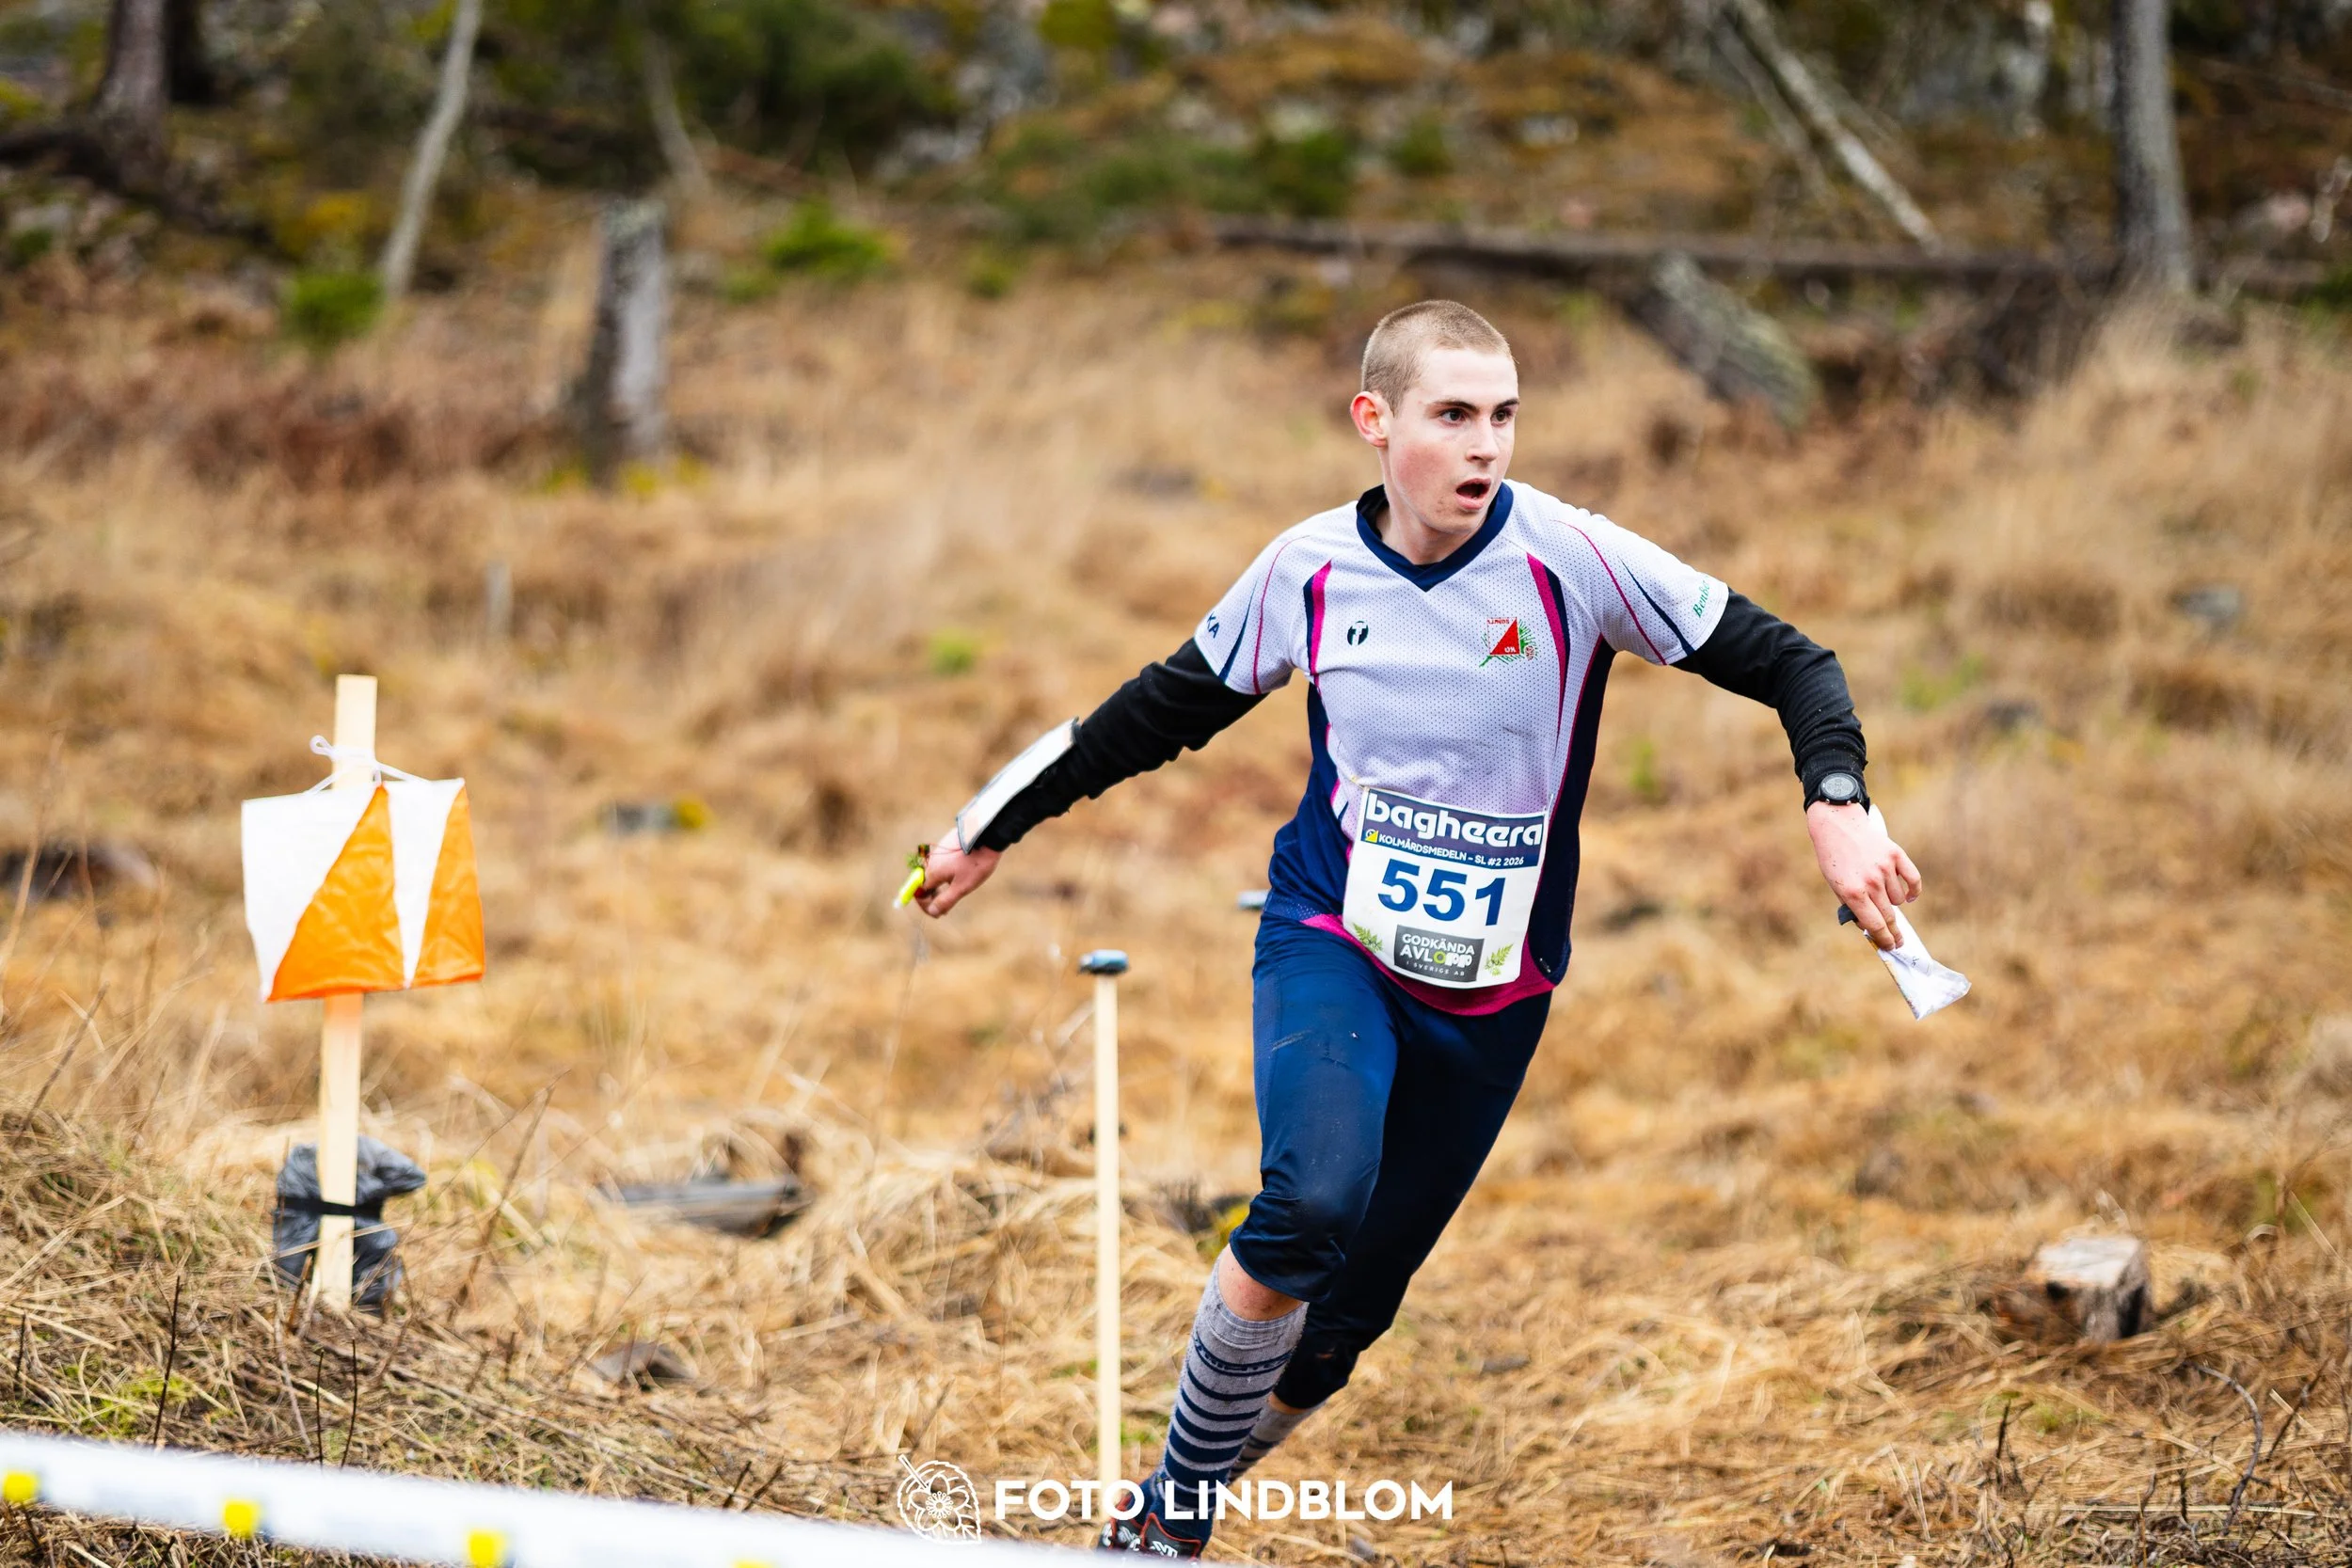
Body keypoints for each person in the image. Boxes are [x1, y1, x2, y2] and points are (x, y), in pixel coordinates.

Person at [910, 300, 1921, 1557]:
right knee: (1309, 1207)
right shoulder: (1308, 571)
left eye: (1503, 416)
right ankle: (1164, 1527)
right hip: (1334, 934)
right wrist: (987, 825)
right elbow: (1153, 711)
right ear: (1375, 423)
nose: (1484, 445)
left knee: (1342, 1325)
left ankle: (1199, 1479)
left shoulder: (1575, 558)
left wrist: (1838, 803)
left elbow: (1796, 661)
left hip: (1495, 992)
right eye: (1452, 416)